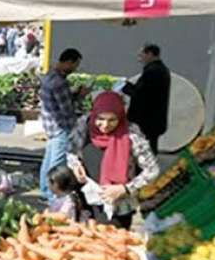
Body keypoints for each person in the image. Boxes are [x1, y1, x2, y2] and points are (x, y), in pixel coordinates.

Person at [67, 91, 160, 229]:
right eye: (100, 119)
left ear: (121, 117)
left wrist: (125, 189)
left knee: (111, 243)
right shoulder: (84, 124)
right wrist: (75, 165)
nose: (105, 125)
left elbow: (152, 170)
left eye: (112, 120)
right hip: (85, 198)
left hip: (117, 204)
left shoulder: (132, 134)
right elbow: (71, 151)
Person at [39, 48, 87, 203]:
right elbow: (67, 110)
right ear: (68, 62)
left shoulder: (49, 75)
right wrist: (79, 97)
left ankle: (45, 191)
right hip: (61, 127)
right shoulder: (60, 82)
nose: (75, 69)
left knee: (48, 161)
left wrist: (72, 94)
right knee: (57, 164)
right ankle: (54, 197)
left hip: (50, 127)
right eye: (75, 64)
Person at [122, 43, 171, 154]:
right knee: (150, 148)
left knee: (144, 150)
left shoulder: (152, 71)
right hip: (154, 120)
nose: (140, 59)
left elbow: (140, 94)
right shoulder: (162, 70)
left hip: (146, 120)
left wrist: (124, 86)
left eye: (141, 55)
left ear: (149, 54)